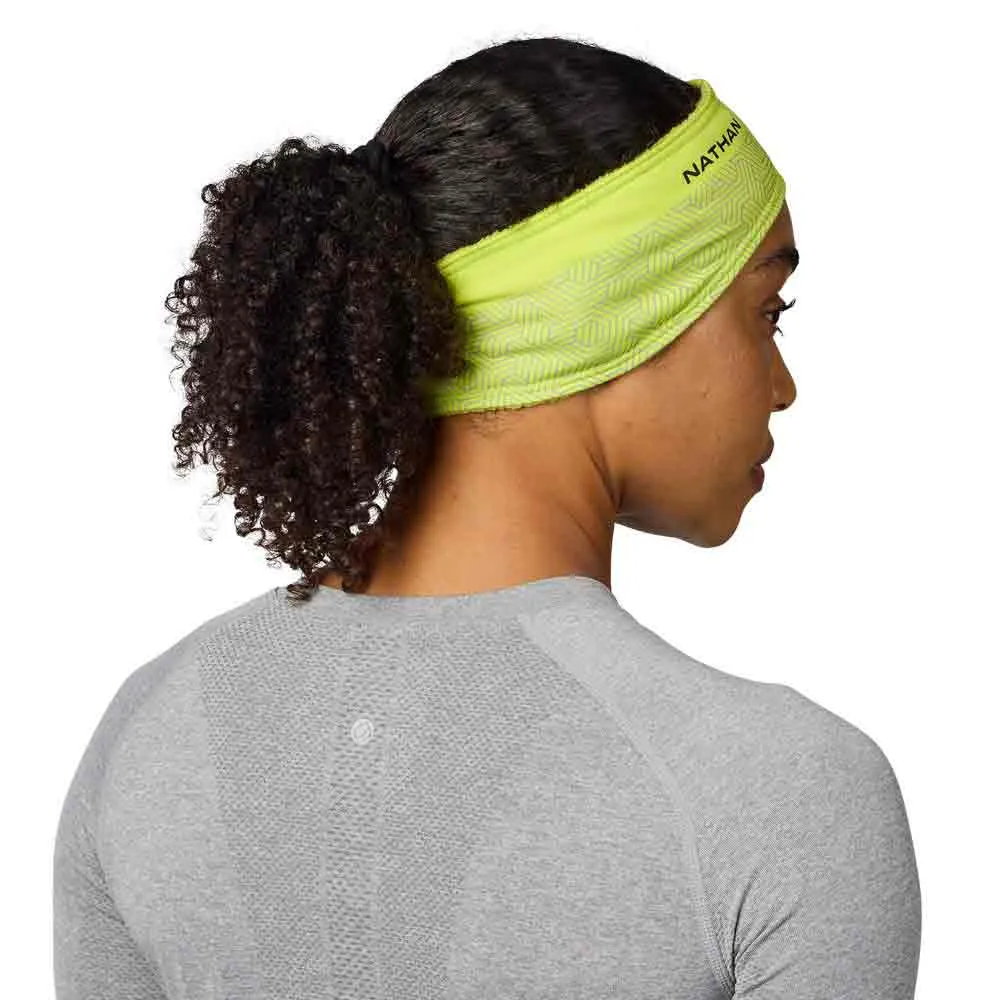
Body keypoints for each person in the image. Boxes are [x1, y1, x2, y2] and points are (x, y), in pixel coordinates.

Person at [53, 35, 921, 999]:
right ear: (616, 308)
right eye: (768, 312)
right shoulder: (782, 792)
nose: (783, 385)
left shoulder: (151, 736)